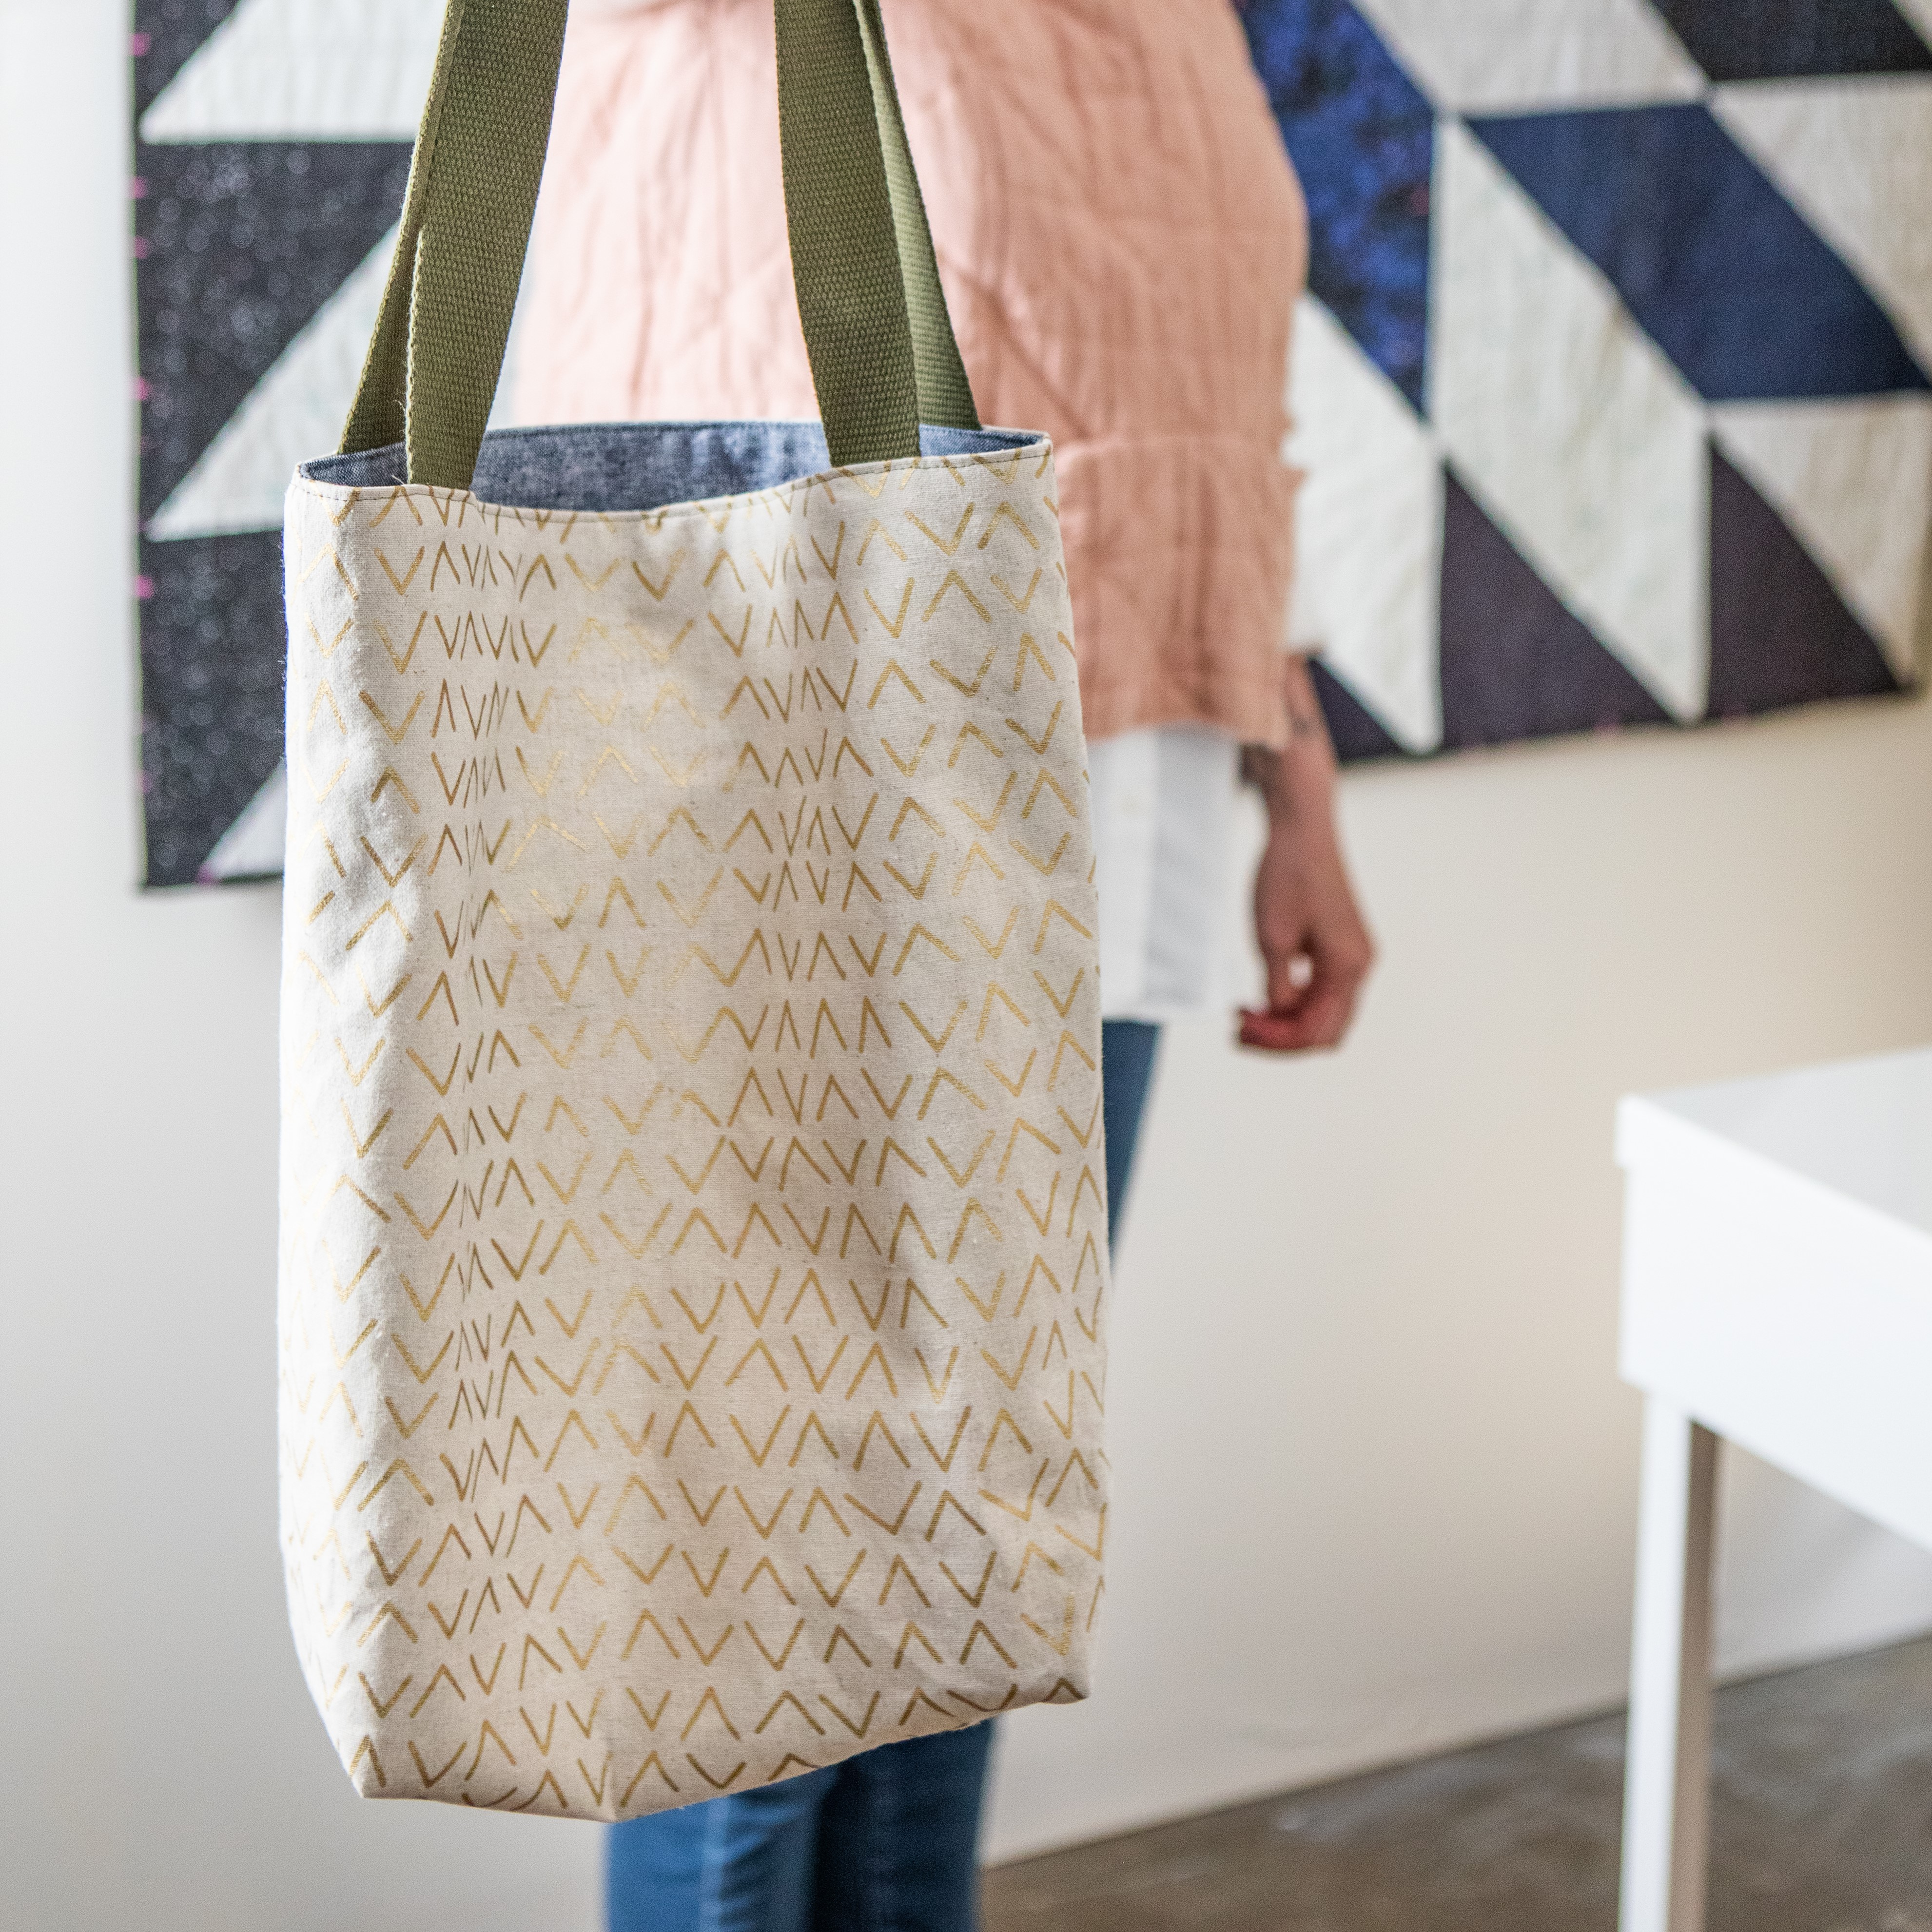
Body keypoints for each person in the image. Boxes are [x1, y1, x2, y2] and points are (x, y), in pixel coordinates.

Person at [514, 1, 1375, 1924]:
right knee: (762, 1582)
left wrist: (1290, 769)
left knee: (969, 1534)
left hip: (1127, 724)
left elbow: (1205, 372)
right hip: (811, 704)